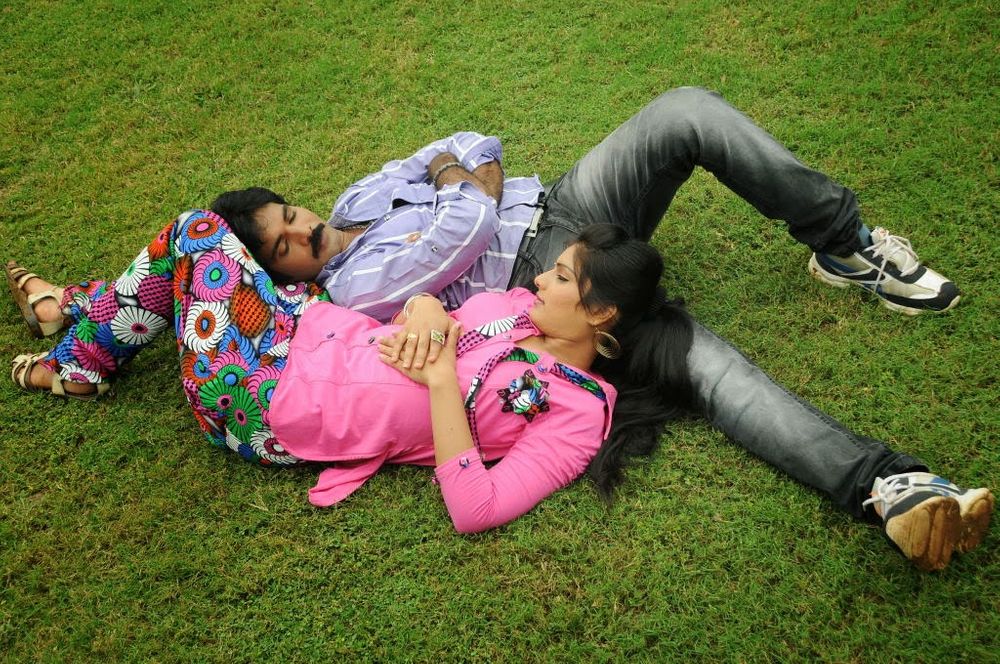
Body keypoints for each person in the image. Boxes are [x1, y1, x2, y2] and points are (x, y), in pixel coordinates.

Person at [7, 87, 991, 566]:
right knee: (715, 372)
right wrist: (458, 195)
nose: (305, 235)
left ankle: (845, 244)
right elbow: (467, 213)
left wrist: (455, 191)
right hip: (544, 288)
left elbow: (472, 143)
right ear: (280, 276)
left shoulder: (362, 207)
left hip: (564, 218)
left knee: (683, 111)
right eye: (287, 250)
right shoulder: (357, 289)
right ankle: (888, 486)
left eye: (293, 217)